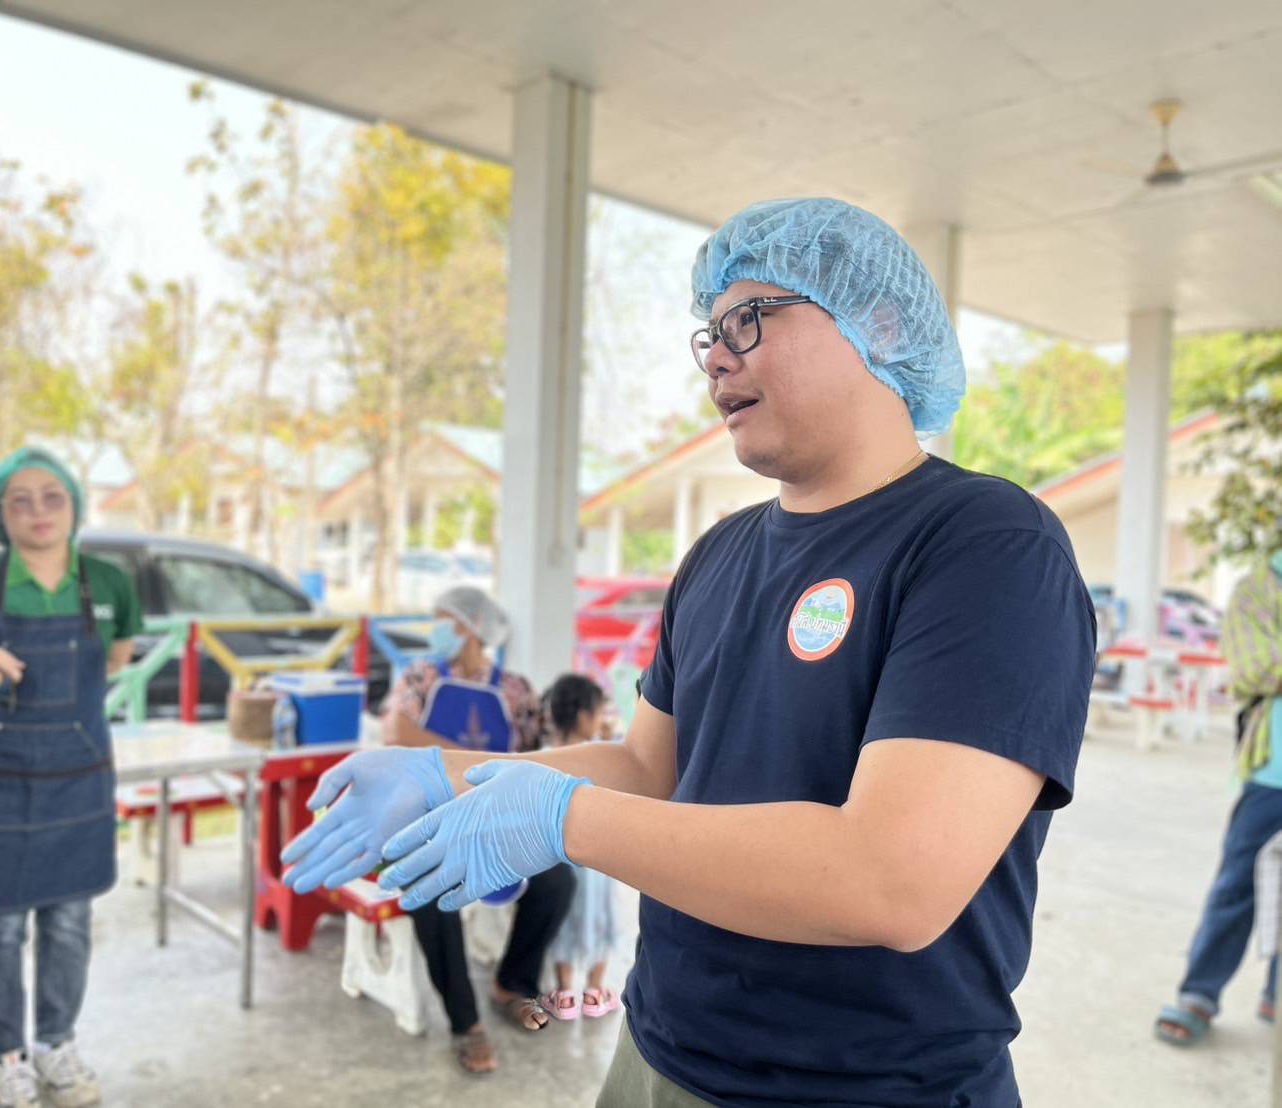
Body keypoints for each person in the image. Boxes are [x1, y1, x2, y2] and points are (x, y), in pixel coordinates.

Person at [284, 198, 1096, 1107]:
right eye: (709, 330)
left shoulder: (984, 543)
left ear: (878, 322)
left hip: (870, 1084)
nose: (716, 353)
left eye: (749, 318)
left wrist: (562, 819)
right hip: (660, 1051)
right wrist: (448, 771)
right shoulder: (719, 554)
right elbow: (648, 765)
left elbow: (891, 880)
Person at [0, 447, 142, 1108]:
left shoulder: (109, 583)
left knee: (70, 919)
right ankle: (7, 1058)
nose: (38, 511)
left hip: (76, 777)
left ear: (75, 504)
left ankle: (56, 1044)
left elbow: (113, 659)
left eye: (52, 496)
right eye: (18, 499)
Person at [296, 585, 575, 1076]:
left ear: (471, 628)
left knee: (557, 880)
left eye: (443, 619)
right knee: (430, 892)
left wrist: (445, 755)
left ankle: (513, 982)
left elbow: (537, 755)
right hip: (426, 821)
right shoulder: (422, 676)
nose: (436, 629)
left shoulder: (514, 690)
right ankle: (465, 1024)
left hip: (493, 818)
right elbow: (398, 733)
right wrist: (477, 764)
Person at [1154, 555, 1282, 1046]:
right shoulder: (1258, 588)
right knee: (1238, 883)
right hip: (1274, 771)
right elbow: (1257, 670)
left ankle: (1276, 992)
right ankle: (1199, 994)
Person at [538, 675, 621, 1022]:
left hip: (559, 859)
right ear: (586, 717)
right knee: (601, 919)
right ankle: (594, 991)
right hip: (597, 861)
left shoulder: (542, 756)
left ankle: (563, 994)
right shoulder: (603, 758)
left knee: (564, 922)